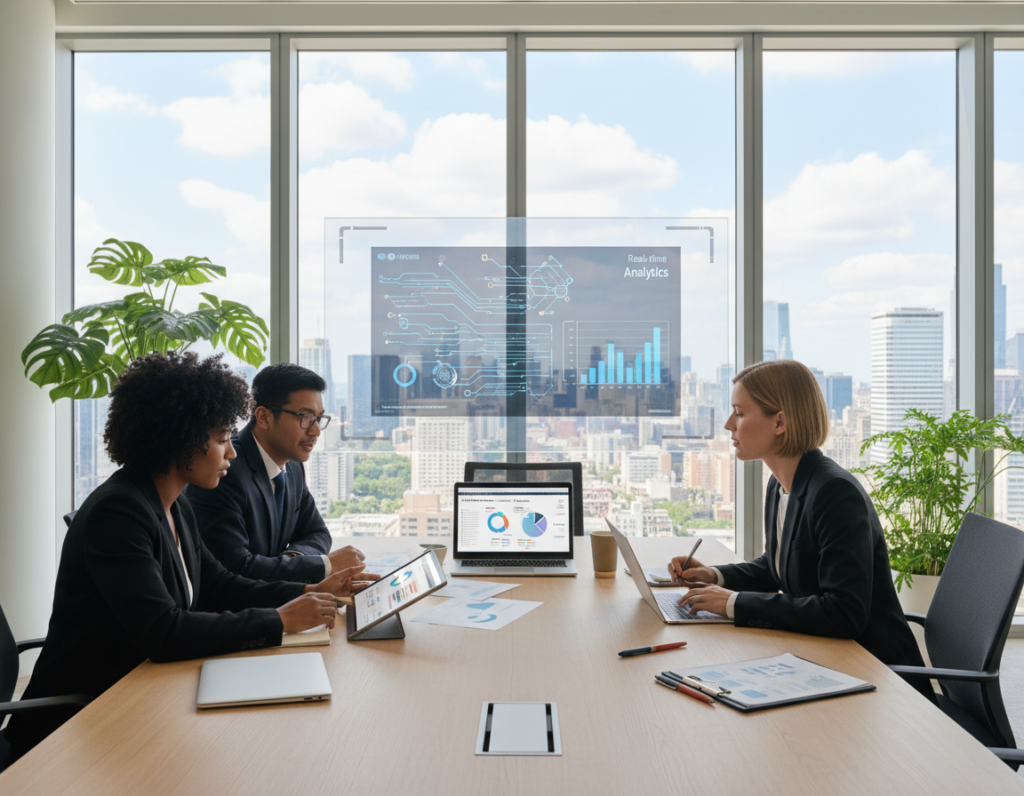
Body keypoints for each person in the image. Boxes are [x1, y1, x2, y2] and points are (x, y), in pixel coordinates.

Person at [4, 352, 376, 761]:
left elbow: (220, 583)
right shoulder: (119, 512)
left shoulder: (174, 503)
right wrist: (282, 619)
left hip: (147, 691)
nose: (231, 453)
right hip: (85, 719)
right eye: (220, 439)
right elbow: (164, 632)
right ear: (178, 439)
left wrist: (310, 589)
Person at [668, 360, 930, 694]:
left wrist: (734, 603)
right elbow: (777, 565)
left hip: (878, 675)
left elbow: (844, 612)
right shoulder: (781, 486)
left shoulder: (835, 493)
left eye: (739, 413)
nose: (727, 425)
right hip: (823, 659)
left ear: (779, 422)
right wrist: (715, 578)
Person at [188, 362, 364, 584]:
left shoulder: (293, 466)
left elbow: (317, 533)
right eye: (305, 417)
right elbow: (236, 569)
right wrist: (325, 565)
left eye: (319, 418)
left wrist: (291, 559)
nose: (316, 430)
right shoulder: (223, 471)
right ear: (263, 418)